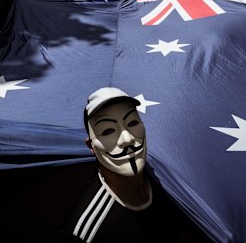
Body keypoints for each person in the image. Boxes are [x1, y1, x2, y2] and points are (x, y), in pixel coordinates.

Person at [52, 87, 212, 243]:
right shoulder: (83, 232)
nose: (127, 139)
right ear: (91, 146)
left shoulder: (167, 182)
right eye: (108, 131)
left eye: (132, 122)